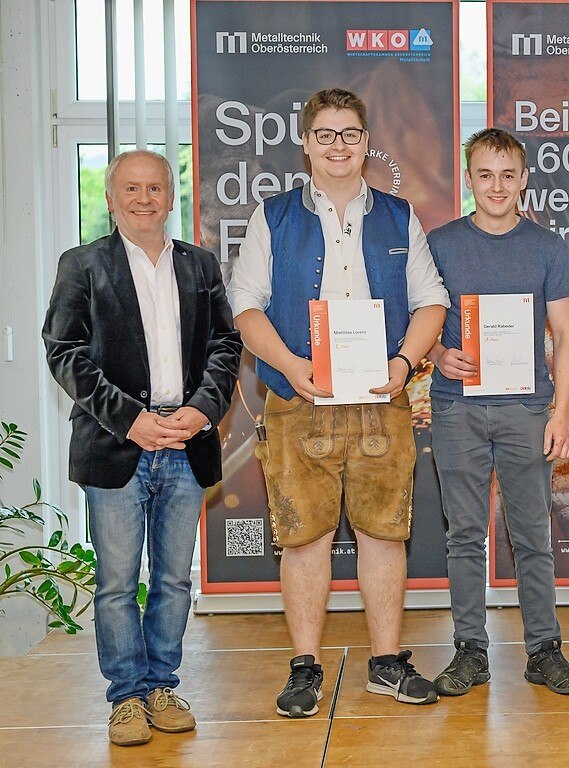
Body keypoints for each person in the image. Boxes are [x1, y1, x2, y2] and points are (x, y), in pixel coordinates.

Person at [228, 88, 449, 715]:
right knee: (303, 537)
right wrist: (291, 366)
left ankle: (385, 661)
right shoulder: (272, 217)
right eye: (325, 134)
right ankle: (305, 667)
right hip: (299, 399)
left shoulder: (399, 215)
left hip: (382, 398)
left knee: (384, 533)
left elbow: (432, 299)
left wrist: (405, 363)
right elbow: (245, 306)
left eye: (349, 133)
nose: (338, 145)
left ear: (366, 141)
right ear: (305, 142)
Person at [42, 150, 242, 746]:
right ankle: (126, 698)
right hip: (116, 446)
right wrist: (130, 420)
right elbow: (65, 354)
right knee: (116, 580)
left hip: (185, 442)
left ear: (170, 196)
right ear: (110, 198)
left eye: (155, 187)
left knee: (175, 579)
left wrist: (200, 410)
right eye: (131, 188)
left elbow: (226, 347)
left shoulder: (200, 266)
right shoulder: (81, 265)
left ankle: (162, 685)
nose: (144, 198)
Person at [426, 128, 569, 697]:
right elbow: (418, 322)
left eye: (508, 175)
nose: (497, 186)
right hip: (456, 411)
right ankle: (470, 651)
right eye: (485, 175)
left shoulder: (546, 248)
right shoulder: (439, 244)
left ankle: (545, 650)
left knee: (532, 537)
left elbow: (566, 335)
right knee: (464, 535)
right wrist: (438, 353)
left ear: (524, 180)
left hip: (526, 411)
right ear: (469, 179)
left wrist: (562, 414)